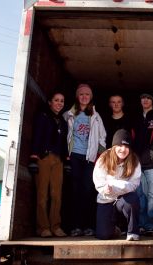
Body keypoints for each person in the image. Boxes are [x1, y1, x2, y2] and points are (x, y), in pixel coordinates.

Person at [63, 83, 106, 237]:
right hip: (74, 156)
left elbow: (102, 137)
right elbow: (64, 132)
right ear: (77, 96)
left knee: (88, 191)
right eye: (81, 94)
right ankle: (75, 226)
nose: (84, 97)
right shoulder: (70, 114)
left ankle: (89, 225)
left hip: (89, 159)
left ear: (91, 97)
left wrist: (98, 157)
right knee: (75, 192)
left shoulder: (95, 115)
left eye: (87, 95)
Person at [29, 91, 68, 237]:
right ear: (50, 102)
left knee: (57, 194)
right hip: (43, 157)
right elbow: (37, 137)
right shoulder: (42, 117)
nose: (59, 103)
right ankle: (43, 227)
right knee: (42, 194)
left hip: (58, 160)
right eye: (56, 100)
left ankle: (55, 226)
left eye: (62, 101)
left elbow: (64, 143)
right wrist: (33, 157)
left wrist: (67, 160)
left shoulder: (63, 122)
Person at [93, 129, 141, 241]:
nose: (123, 149)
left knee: (133, 199)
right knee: (103, 235)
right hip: (106, 198)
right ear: (114, 146)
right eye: (120, 145)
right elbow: (98, 181)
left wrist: (116, 185)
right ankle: (114, 229)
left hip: (124, 199)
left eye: (126, 146)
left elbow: (134, 184)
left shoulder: (134, 160)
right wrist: (105, 189)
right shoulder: (104, 158)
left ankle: (133, 232)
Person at [132, 93, 153, 234]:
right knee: (141, 195)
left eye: (148, 98)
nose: (145, 100)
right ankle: (142, 225)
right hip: (138, 164)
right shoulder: (135, 117)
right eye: (142, 98)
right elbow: (130, 138)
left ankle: (152, 225)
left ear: (152, 101)